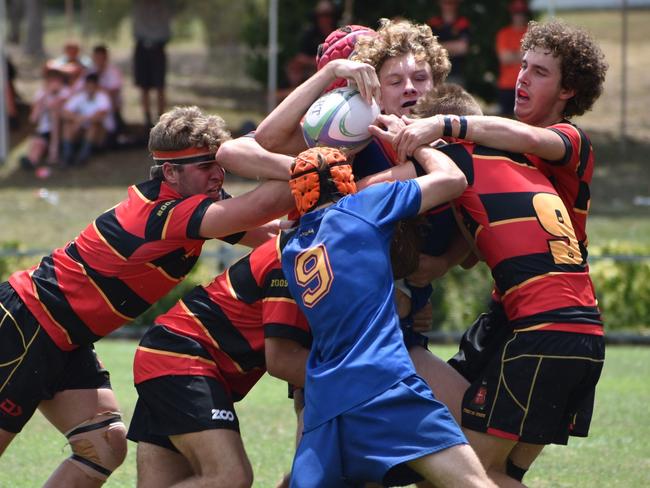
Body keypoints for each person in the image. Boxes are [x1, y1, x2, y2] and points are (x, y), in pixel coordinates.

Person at [0, 105, 294, 486]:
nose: (218, 174)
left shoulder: (194, 204)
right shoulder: (162, 213)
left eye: (222, 163)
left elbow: (269, 231)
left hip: (65, 337)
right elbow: (262, 205)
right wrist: (321, 165)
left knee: (103, 444)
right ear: (171, 171)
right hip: (27, 323)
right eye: (207, 164)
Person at [366, 85, 606, 486]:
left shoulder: (459, 157)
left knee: (461, 479)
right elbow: (471, 251)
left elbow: (370, 191)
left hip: (540, 332)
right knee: (498, 473)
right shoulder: (518, 162)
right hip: (581, 331)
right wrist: (441, 261)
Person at [256, 17, 472, 423]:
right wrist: (331, 73)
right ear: (373, 92)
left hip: (396, 329)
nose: (410, 88)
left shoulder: (457, 133)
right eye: (394, 81)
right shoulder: (353, 137)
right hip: (345, 332)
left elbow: (473, 227)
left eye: (421, 77)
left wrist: (442, 262)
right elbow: (259, 142)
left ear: (437, 81)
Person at [281, 146, 494, 487]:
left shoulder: (289, 245)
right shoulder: (364, 205)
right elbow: (453, 180)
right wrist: (421, 146)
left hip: (325, 399)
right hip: (382, 382)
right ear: (346, 179)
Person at [128, 233, 311, 487]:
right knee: (230, 477)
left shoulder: (318, 256)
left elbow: (306, 392)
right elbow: (282, 361)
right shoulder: (297, 257)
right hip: (181, 355)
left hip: (174, 355)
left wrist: (306, 472)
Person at [278, 0, 339, 102]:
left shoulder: (338, 33)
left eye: (328, 15)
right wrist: (322, 63)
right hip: (313, 73)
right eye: (321, 15)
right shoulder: (309, 35)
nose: (324, 19)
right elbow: (300, 58)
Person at [20, 67, 71, 169]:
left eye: (55, 79)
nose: (53, 82)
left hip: (60, 127)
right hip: (44, 129)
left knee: (54, 116)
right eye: (50, 79)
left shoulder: (65, 91)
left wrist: (49, 93)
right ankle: (31, 160)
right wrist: (44, 96)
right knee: (37, 143)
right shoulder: (42, 93)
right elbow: (33, 117)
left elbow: (54, 105)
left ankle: (52, 155)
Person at [60, 72, 114, 166]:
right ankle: (67, 156)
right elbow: (65, 112)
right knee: (67, 126)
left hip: (101, 133)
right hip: (81, 128)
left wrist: (81, 120)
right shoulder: (79, 97)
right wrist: (77, 119)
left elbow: (100, 115)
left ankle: (83, 157)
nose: (90, 88)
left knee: (93, 126)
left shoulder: (102, 97)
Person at [132, 0, 172, 126]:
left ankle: (161, 119)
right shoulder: (138, 5)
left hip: (158, 47)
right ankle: (147, 120)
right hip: (142, 47)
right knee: (144, 86)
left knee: (160, 86)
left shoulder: (163, 6)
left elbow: (166, 29)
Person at [495, 0, 530, 117]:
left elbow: (533, 59)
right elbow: (504, 59)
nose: (519, 16)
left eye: (521, 13)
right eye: (516, 13)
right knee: (505, 121)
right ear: (511, 14)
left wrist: (514, 54)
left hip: (527, 84)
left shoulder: (531, 33)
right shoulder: (504, 33)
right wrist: (524, 54)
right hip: (507, 85)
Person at [427, 0, 471, 86]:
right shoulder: (433, 22)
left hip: (456, 73)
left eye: (451, 3)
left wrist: (439, 47)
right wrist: (454, 47)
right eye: (446, 3)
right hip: (436, 73)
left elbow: (463, 48)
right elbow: (429, 47)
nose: (448, 6)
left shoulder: (462, 22)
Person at [89, 44, 125, 135]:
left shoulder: (113, 72)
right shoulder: (89, 71)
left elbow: (114, 91)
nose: (99, 60)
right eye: (97, 57)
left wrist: (97, 89)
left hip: (109, 105)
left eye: (101, 57)